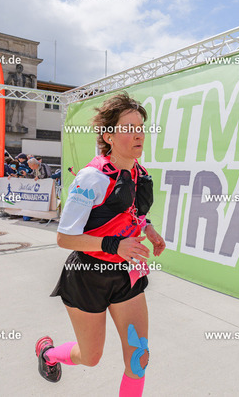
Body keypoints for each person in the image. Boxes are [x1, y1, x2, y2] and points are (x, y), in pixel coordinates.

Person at [35, 93, 165, 396]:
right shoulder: (91, 178)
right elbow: (64, 238)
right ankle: (48, 354)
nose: (138, 134)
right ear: (109, 136)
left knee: (139, 359)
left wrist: (149, 229)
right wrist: (114, 245)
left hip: (126, 276)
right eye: (129, 128)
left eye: (141, 127)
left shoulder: (138, 172)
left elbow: (130, 213)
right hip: (87, 276)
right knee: (90, 357)